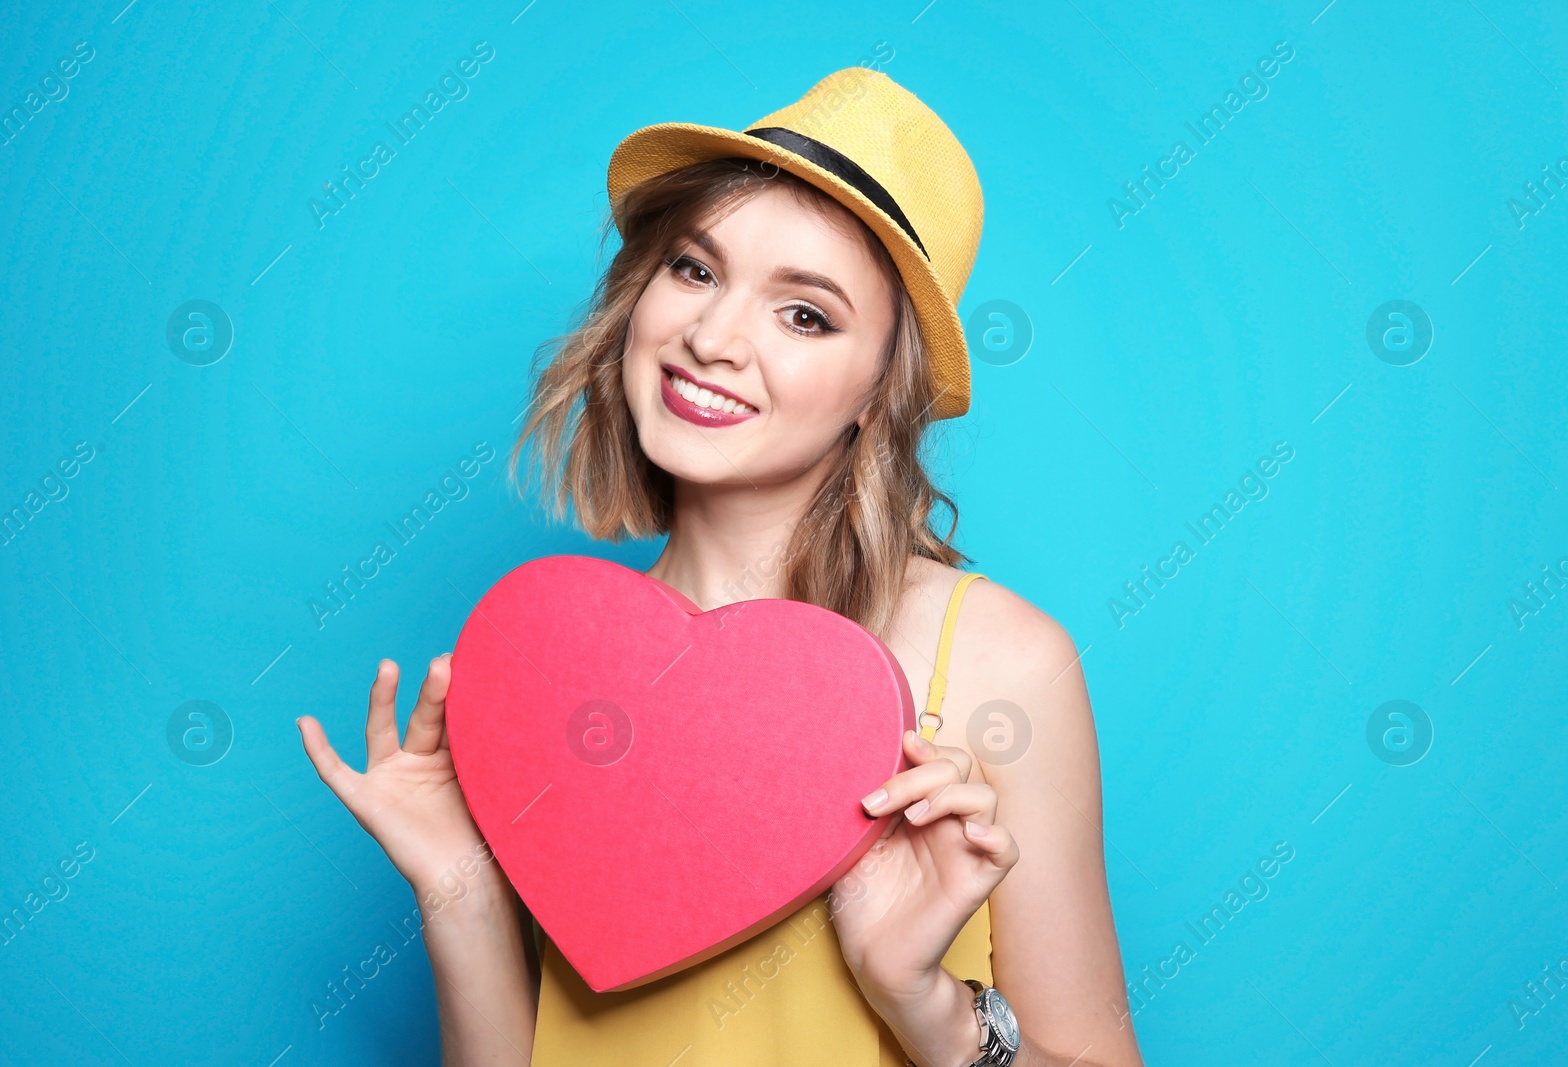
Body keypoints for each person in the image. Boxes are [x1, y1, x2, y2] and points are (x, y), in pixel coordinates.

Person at [297, 67, 1144, 1067]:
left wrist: (937, 1016)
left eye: (804, 314)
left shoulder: (1004, 663)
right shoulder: (543, 665)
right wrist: (459, 887)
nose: (709, 337)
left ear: (881, 388)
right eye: (696, 270)